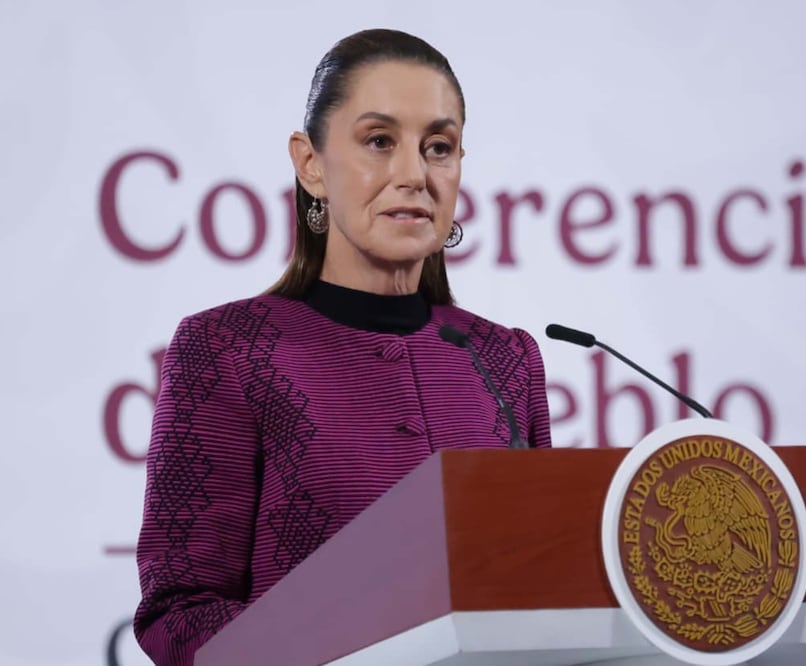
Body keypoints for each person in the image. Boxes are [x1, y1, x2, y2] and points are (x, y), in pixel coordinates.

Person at [132, 28, 553, 666]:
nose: (413, 174)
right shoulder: (226, 348)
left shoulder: (504, 361)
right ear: (311, 164)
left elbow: (545, 584)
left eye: (438, 147)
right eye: (379, 142)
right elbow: (180, 613)